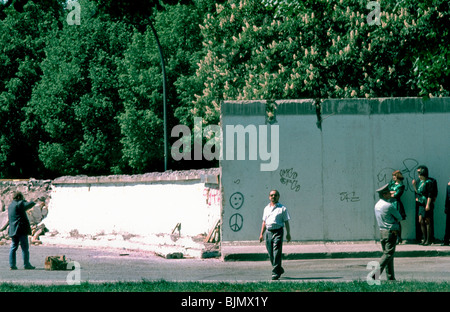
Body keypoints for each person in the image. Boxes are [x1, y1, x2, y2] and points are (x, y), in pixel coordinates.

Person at [373, 183, 403, 281]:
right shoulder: (389, 206)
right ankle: (375, 275)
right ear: (385, 194)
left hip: (382, 231)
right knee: (388, 254)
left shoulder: (377, 205)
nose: (390, 195)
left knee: (389, 255)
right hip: (391, 231)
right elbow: (399, 217)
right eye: (389, 193)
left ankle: (391, 278)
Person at [259, 190, 291, 280]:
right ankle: (279, 268)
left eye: (275, 195)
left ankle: (275, 273)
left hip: (278, 232)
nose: (273, 197)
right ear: (269, 197)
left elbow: (286, 222)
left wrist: (288, 234)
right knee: (270, 253)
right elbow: (264, 222)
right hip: (268, 232)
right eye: (272, 195)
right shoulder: (266, 208)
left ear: (278, 197)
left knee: (276, 251)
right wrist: (261, 234)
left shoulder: (282, 208)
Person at [8, 192, 41, 270]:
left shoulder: (10, 205)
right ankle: (26, 264)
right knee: (24, 247)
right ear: (19, 197)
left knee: (13, 247)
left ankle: (12, 265)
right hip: (20, 229)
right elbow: (28, 205)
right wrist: (34, 201)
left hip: (13, 229)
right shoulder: (20, 203)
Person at [412, 166, 434, 245]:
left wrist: (428, 204)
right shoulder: (420, 182)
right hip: (421, 203)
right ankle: (424, 238)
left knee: (427, 221)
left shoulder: (429, 182)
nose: (418, 176)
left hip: (425, 202)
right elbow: (417, 192)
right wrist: (414, 186)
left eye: (420, 174)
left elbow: (430, 194)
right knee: (420, 220)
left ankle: (428, 239)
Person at [388, 170, 406, 244]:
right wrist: (392, 192)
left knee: (397, 221)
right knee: (391, 221)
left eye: (394, 176)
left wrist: (392, 193)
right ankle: (393, 237)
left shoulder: (401, 185)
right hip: (391, 203)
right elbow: (388, 191)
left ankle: (399, 238)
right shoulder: (392, 184)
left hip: (396, 204)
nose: (393, 177)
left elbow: (397, 195)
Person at [443, 178, 450, 246]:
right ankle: (446, 240)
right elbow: (447, 197)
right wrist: (446, 207)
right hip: (449, 207)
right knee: (448, 224)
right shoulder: (448, 186)